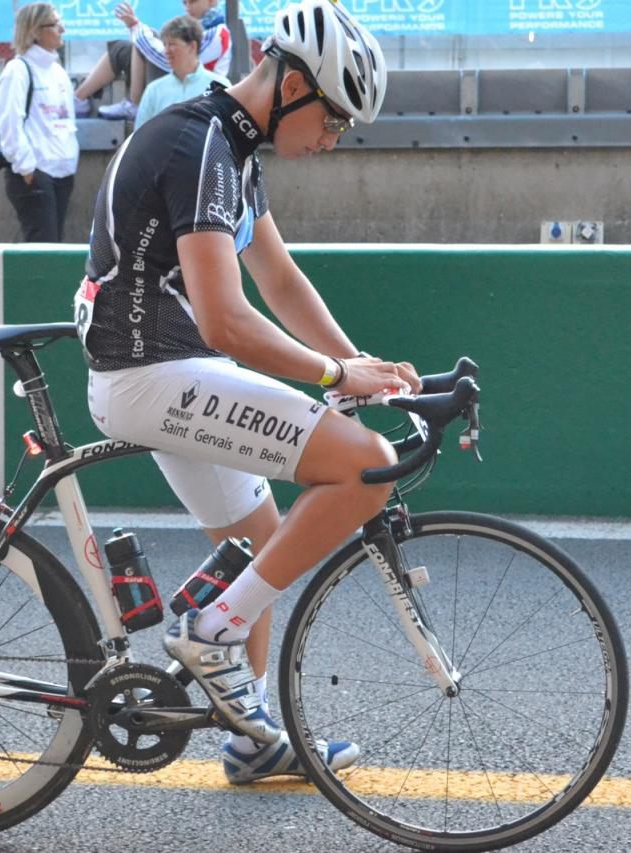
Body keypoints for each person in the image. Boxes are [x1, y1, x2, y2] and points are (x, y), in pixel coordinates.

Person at [74, 0, 408, 783]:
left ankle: (253, 738)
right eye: (334, 118)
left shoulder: (231, 148)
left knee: (263, 542)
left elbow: (280, 281)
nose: (333, 139)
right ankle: (212, 630)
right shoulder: (201, 148)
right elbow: (227, 320)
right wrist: (334, 376)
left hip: (162, 366)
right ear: (291, 86)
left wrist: (359, 364)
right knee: (366, 466)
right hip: (150, 371)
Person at [0, 3, 78, 242]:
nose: (62, 29)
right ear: (35, 31)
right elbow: (9, 123)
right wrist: (27, 169)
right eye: (55, 24)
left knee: (54, 247)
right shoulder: (18, 70)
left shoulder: (58, 71)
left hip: (62, 172)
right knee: (43, 248)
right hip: (35, 174)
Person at [75, 0, 232, 121]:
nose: (188, 7)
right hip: (175, 88)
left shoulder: (218, 33)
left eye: (193, 1)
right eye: (184, 3)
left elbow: (171, 60)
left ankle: (134, 103)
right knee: (122, 47)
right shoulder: (156, 89)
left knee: (143, 37)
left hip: (197, 98)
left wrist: (136, 28)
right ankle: (78, 98)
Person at [133, 16, 229, 129]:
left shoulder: (219, 86)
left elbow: (231, 132)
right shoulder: (153, 90)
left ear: (192, 46)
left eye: (172, 44)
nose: (166, 51)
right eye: (165, 45)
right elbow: (139, 134)